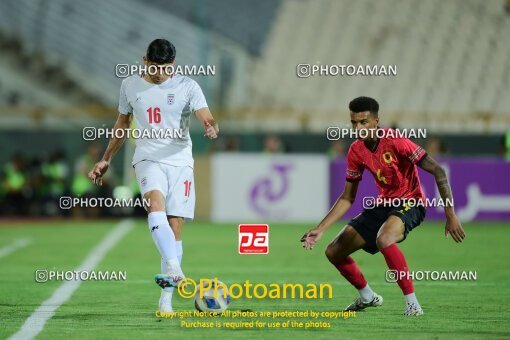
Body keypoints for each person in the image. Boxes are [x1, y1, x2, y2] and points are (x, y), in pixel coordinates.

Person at [301, 96, 465, 316]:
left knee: (384, 238)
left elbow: (438, 170)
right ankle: (368, 296)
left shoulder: (396, 141)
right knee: (334, 251)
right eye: (354, 123)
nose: (358, 128)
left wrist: (450, 214)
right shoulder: (356, 151)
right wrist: (320, 229)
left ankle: (412, 304)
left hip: (411, 202)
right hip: (384, 204)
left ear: (376, 121)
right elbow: (347, 198)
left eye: (363, 122)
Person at [88, 39, 218, 312]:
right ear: (144, 60)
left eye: (167, 67)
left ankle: (166, 299)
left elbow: (205, 115)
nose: (161, 73)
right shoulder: (130, 85)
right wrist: (106, 158)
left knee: (175, 227)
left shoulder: (187, 86)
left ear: (174, 65)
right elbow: (122, 123)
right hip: (148, 158)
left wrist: (209, 125)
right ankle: (176, 270)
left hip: (181, 162)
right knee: (154, 207)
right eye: (156, 66)